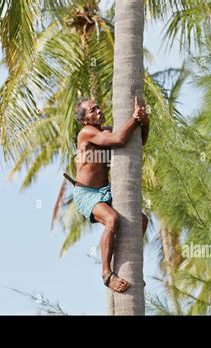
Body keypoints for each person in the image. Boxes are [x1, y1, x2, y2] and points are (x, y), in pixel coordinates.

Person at [72, 97, 149, 293]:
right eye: (92, 110)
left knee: (140, 220)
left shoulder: (104, 130)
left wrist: (144, 121)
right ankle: (106, 274)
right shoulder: (86, 133)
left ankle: (130, 265)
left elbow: (137, 142)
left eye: (97, 107)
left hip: (105, 191)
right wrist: (134, 117)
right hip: (86, 193)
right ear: (84, 120)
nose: (98, 111)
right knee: (111, 219)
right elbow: (119, 139)